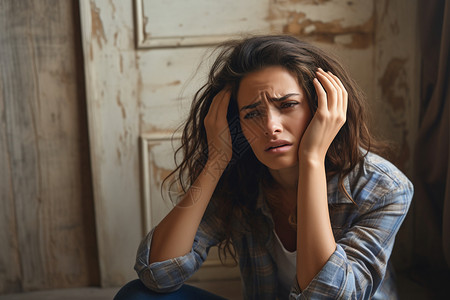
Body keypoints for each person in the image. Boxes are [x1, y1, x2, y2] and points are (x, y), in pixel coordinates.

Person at [114, 35, 413, 299]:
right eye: (252, 113)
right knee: (137, 296)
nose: (270, 127)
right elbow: (157, 273)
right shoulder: (243, 180)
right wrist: (216, 160)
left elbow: (328, 297)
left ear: (321, 106)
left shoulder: (384, 188)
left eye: (287, 105)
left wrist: (312, 159)